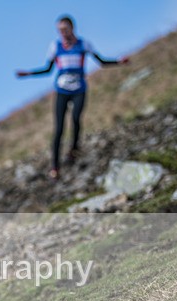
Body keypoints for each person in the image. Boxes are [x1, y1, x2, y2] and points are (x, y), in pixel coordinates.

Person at [17, 15, 129, 179]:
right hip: (62, 90)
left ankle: (74, 149)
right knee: (59, 129)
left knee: (76, 118)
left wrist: (119, 62)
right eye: (59, 30)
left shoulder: (83, 44)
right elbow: (48, 69)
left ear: (72, 28)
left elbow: (101, 61)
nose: (62, 33)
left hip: (79, 89)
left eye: (64, 29)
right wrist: (29, 73)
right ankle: (55, 166)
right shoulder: (55, 47)